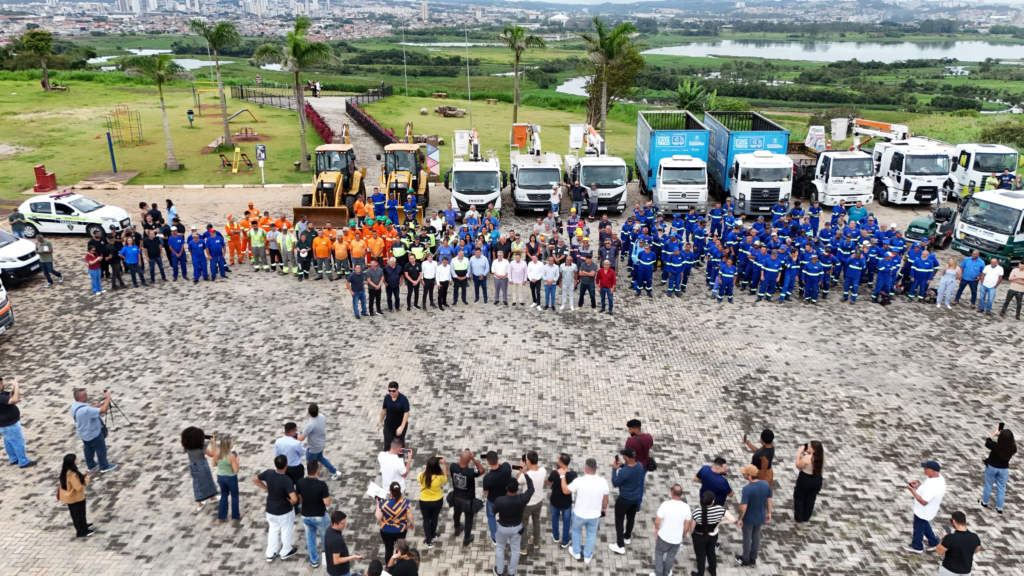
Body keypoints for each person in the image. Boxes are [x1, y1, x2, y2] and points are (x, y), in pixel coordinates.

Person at [559, 457, 608, 563]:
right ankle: (587, 556)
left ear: (586, 468)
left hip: (579, 515)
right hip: (594, 516)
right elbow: (605, 499)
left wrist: (562, 476)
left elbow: (566, 491)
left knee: (576, 532)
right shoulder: (603, 482)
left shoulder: (579, 481)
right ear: (596, 468)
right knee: (591, 535)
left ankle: (576, 552)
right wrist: (603, 508)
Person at [254, 455, 299, 562]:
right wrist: (293, 501)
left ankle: (270, 553)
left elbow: (255, 479)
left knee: (273, 529)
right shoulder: (287, 480)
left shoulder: (268, 473)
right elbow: (294, 498)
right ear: (286, 464)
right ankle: (285, 551)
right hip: (284, 511)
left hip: (270, 509)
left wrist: (267, 489)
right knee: (286, 530)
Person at [493, 470, 535, 575]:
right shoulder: (522, 499)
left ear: (506, 488)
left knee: (500, 548)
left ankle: (499, 571)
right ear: (517, 489)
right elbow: (531, 488)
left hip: (502, 528)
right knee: (515, 550)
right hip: (517, 528)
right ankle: (511, 572)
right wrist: (525, 474)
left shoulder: (500, 500)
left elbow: (493, 511)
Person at [649, 484, 692, 576]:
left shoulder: (665, 505)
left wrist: (656, 528)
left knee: (659, 553)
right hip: (676, 538)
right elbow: (687, 524)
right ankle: (666, 572)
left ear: (672, 492)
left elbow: (657, 521)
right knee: (671, 556)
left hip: (664, 536)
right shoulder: (686, 507)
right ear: (681, 494)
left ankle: (658, 573)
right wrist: (684, 534)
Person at [904, 460, 947, 554]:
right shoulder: (938, 478)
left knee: (918, 528)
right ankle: (934, 542)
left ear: (932, 471)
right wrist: (919, 485)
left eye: (926, 468)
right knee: (924, 524)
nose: (924, 469)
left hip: (923, 510)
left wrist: (912, 491)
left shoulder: (932, 486)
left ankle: (917, 546)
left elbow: (924, 502)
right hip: (929, 510)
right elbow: (927, 490)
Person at [69, 388, 116, 473]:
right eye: (85, 395)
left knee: (88, 449)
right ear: (81, 398)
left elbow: (90, 407)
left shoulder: (74, 406)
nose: (87, 396)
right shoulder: (85, 410)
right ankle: (104, 466)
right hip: (93, 433)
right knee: (101, 449)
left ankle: (91, 465)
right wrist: (108, 398)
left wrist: (102, 403)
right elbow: (103, 410)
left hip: (83, 433)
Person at [296, 460, 332, 568]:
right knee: (325, 537)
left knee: (310, 538)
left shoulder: (300, 482)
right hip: (319, 516)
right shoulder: (321, 485)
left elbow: (300, 497)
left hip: (305, 515)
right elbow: (327, 502)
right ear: (318, 471)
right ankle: (328, 559)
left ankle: (314, 560)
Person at [735, 463, 772, 567]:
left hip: (749, 518)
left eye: (745, 473)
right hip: (760, 517)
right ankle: (753, 559)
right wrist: (769, 513)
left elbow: (743, 507)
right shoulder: (765, 484)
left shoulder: (747, 489)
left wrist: (740, 519)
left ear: (749, 475)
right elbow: (769, 500)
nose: (744, 475)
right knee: (756, 536)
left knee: (747, 537)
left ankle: (745, 559)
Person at [609, 448, 645, 555]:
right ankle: (627, 536)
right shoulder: (639, 466)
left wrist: (614, 469)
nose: (623, 456)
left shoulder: (623, 472)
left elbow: (615, 483)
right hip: (635, 499)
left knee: (619, 521)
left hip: (624, 500)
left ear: (628, 458)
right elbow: (631, 471)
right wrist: (622, 465)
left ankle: (620, 546)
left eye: (624, 455)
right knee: (631, 518)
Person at [450, 449, 485, 546]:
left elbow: (459, 463)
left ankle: (457, 528)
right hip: (468, 501)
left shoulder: (453, 466)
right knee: (468, 519)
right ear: (469, 460)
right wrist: (473, 459)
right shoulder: (470, 472)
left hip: (456, 497)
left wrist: (464, 457)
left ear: (460, 457)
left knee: (457, 513)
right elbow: (482, 470)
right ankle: (467, 538)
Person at [299, 403, 342, 481]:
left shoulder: (310, 425)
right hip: (321, 444)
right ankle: (334, 472)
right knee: (320, 458)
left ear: (309, 412)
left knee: (310, 466)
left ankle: (310, 480)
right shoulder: (322, 416)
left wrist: (293, 436)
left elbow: (301, 438)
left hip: (313, 449)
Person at [181, 427, 218, 512]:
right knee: (207, 481)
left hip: (193, 466)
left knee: (197, 483)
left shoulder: (187, 447)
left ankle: (210, 498)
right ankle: (202, 502)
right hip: (202, 466)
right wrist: (213, 443)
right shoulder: (201, 447)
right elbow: (212, 454)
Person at [980, 425, 1016, 513]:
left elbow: (987, 442)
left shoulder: (995, 446)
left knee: (988, 485)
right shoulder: (1012, 448)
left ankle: (984, 502)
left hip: (992, 467)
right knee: (1001, 488)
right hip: (1004, 469)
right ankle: (999, 508)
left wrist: (995, 433)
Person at [688, 490, 725, 576]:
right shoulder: (719, 509)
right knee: (711, 552)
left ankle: (700, 573)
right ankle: (713, 571)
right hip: (713, 536)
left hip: (699, 536)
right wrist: (719, 523)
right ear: (713, 501)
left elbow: (692, 527)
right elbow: (732, 519)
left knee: (700, 555)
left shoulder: (697, 512)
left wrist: (691, 533)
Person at [517, 451, 547, 555]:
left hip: (527, 504)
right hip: (538, 502)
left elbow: (517, 482)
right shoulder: (543, 471)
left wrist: (521, 469)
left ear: (528, 461)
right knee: (536, 521)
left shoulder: (526, 475)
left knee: (523, 524)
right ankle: (536, 542)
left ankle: (523, 548)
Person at [58, 454, 95, 537]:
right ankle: (82, 531)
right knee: (79, 514)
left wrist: (82, 475)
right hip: (75, 498)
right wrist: (87, 478)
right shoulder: (72, 474)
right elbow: (78, 487)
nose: (77, 460)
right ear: (72, 462)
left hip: (71, 497)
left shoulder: (66, 470)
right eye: (76, 459)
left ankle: (83, 525)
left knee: (78, 514)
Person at [376, 482, 414, 561]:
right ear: (400, 491)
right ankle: (399, 564)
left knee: (388, 550)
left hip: (386, 530)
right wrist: (411, 523)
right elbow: (410, 517)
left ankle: (389, 566)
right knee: (400, 549)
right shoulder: (405, 503)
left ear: (390, 491)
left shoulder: (384, 503)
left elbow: (378, 517)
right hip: (400, 530)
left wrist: (378, 504)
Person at [936, 511, 982, 576]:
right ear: (965, 522)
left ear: (954, 521)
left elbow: (939, 551)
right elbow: (976, 550)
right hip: (966, 572)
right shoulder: (975, 537)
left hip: (949, 570)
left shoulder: (949, 538)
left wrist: (943, 538)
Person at [417, 456, 448, 548]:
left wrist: (427, 467)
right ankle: (433, 535)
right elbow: (445, 478)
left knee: (426, 519)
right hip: (437, 501)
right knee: (434, 518)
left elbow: (421, 475)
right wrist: (444, 464)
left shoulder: (422, 476)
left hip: (424, 501)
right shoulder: (439, 477)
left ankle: (428, 540)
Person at [0, 378, 32, 468]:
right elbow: (15, 399)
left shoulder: (2, 394)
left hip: (5, 425)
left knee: (8, 441)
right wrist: (17, 386)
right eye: (1, 383)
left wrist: (14, 387)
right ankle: (23, 462)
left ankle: (13, 458)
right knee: (18, 442)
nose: (3, 384)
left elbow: (10, 396)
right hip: (9, 425)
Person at [275, 423, 306, 514]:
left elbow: (277, 455)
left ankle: (291, 505)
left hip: (284, 468)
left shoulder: (278, 441)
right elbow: (303, 453)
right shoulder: (295, 443)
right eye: (295, 430)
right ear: (292, 432)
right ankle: (300, 504)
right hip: (296, 468)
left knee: (289, 487)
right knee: (299, 486)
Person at [482, 451, 512, 544]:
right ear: (498, 458)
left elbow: (485, 492)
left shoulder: (487, 478)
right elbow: (503, 464)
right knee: (505, 516)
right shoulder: (507, 467)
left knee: (491, 517)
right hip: (505, 499)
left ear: (488, 462)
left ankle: (495, 538)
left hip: (493, 501)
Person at [792, 441, 824, 522]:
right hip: (817, 480)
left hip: (805, 479)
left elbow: (798, 465)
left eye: (810, 447)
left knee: (799, 497)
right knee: (811, 498)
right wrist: (809, 453)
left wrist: (799, 453)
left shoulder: (807, 458)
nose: (808, 447)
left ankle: (799, 517)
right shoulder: (822, 456)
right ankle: (806, 517)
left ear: (814, 449)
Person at [325, 510, 364, 576]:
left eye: (345, 522)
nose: (345, 524)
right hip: (340, 572)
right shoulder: (337, 540)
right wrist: (353, 557)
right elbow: (336, 561)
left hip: (331, 569)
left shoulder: (329, 529)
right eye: (342, 523)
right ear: (335, 524)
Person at [213, 435, 242, 523]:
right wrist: (237, 461)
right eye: (231, 443)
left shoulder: (216, 453)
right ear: (228, 446)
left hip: (220, 477)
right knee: (234, 496)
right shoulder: (231, 456)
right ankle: (235, 516)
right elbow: (236, 470)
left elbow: (214, 464)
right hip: (231, 477)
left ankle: (220, 517)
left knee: (224, 495)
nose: (233, 444)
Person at [378, 381, 410, 450]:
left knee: (399, 445)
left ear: (397, 390)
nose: (391, 393)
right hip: (388, 425)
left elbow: (406, 413)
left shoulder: (403, 399)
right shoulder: (387, 398)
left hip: (399, 425)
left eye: (393, 391)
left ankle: (400, 456)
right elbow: (384, 410)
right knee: (387, 445)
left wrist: (401, 427)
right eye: (389, 391)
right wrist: (380, 422)